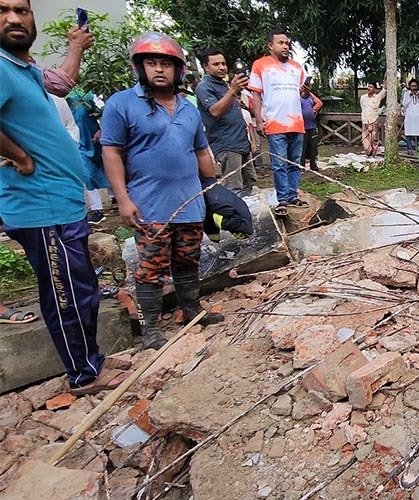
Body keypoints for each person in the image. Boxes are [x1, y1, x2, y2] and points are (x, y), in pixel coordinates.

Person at [0, 0, 131, 394]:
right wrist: (20, 156)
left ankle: (92, 358)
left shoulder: (22, 67)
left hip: (61, 202)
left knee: (81, 287)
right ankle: (83, 374)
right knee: (65, 294)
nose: (13, 18)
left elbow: (59, 83)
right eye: (2, 10)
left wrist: (75, 47)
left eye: (21, 10)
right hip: (40, 206)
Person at [101, 32, 223, 350]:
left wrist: (213, 192)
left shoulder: (188, 109)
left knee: (188, 259)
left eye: (166, 64)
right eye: (152, 63)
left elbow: (201, 152)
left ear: (177, 70)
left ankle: (192, 309)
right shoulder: (121, 104)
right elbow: (111, 152)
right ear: (139, 67)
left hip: (190, 201)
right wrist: (122, 199)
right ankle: (151, 328)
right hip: (148, 204)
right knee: (151, 267)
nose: (159, 69)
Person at [249, 28, 308, 215]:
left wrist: (306, 92)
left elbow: (301, 93)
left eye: (287, 43)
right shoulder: (260, 65)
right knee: (279, 164)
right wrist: (259, 121)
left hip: (297, 123)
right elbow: (256, 95)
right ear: (270, 45)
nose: (285, 46)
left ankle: (292, 195)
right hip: (275, 124)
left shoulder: (296, 68)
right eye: (280, 43)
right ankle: (282, 199)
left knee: (295, 163)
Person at [195, 48, 257, 196]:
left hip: (241, 142)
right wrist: (233, 90)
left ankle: (248, 209)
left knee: (250, 181)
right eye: (216, 64)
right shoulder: (204, 87)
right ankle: (234, 210)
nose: (222, 67)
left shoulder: (224, 85)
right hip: (226, 144)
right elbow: (215, 111)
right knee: (234, 186)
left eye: (223, 63)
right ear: (205, 67)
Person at [67, 88, 110, 224]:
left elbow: (104, 111)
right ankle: (97, 209)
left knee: (107, 165)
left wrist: (103, 129)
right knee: (88, 173)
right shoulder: (63, 97)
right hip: (78, 140)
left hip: (95, 135)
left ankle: (115, 196)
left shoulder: (88, 92)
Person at [299, 83, 323, 170]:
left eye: (307, 88)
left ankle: (313, 165)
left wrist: (313, 110)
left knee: (313, 147)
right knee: (303, 147)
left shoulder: (310, 96)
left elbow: (319, 103)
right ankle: (301, 166)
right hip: (302, 127)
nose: (305, 89)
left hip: (311, 126)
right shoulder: (297, 97)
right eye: (304, 87)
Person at [360, 82, 386, 157]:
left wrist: (385, 79)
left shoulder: (377, 97)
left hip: (373, 119)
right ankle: (368, 152)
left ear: (374, 89)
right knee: (365, 138)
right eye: (368, 87)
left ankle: (374, 153)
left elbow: (384, 90)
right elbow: (362, 107)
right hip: (365, 119)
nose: (369, 88)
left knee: (374, 138)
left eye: (371, 87)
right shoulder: (363, 97)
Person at [401, 78, 419, 153]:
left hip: (418, 117)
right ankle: (410, 149)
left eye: (415, 86)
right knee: (408, 133)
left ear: (417, 86)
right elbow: (404, 104)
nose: (413, 88)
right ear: (409, 86)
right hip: (409, 117)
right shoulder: (406, 93)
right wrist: (409, 96)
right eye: (412, 86)